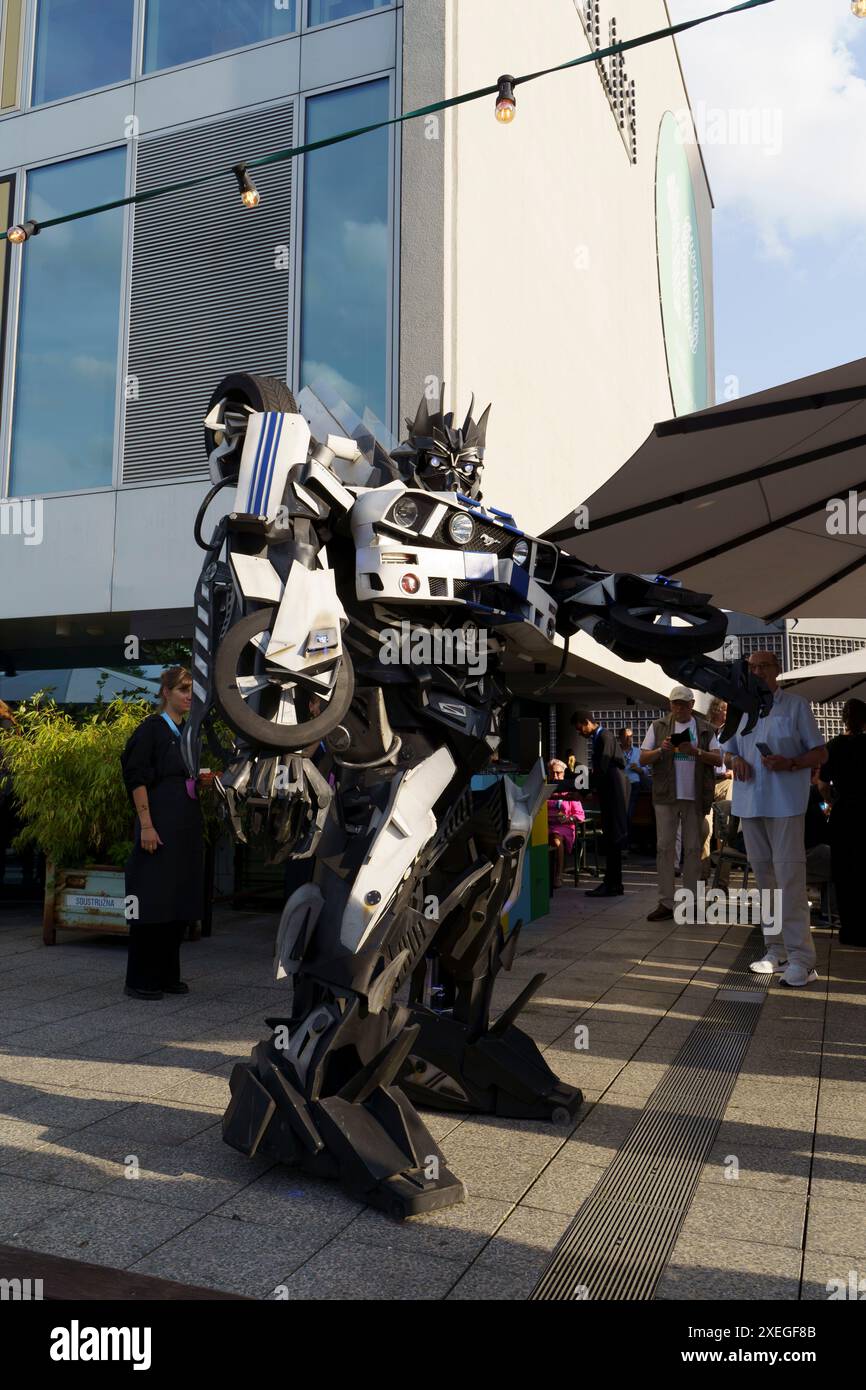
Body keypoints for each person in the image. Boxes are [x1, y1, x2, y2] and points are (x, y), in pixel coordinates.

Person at [722, 651, 827, 987]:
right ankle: (776, 949)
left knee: (790, 880)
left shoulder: (795, 705)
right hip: (750, 803)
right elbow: (726, 748)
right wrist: (732, 759)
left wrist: (793, 763)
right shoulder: (740, 708)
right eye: (751, 667)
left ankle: (802, 960)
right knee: (765, 881)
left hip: (785, 803)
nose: (756, 672)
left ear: (777, 671)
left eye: (763, 666)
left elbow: (820, 752)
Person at [121, 667, 204, 1000]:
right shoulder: (151, 730)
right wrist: (146, 825)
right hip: (157, 827)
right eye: (182, 689)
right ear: (166, 692)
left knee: (177, 901)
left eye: (191, 690)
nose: (188, 696)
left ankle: (168, 975)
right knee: (151, 901)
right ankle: (140, 979)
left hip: (184, 828)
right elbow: (136, 779)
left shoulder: (187, 732)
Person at [640, 687, 721, 921]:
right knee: (664, 848)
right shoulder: (659, 726)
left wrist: (695, 751)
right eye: (675, 704)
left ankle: (691, 903)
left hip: (694, 796)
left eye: (683, 704)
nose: (679, 708)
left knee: (694, 849)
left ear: (692, 704)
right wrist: (660, 750)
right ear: (670, 704)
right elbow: (643, 758)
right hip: (666, 796)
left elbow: (718, 759)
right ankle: (666, 902)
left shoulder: (705, 729)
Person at [819, 697, 866, 947]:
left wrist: (832, 800)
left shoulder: (834, 746)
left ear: (844, 718)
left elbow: (823, 784)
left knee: (845, 872)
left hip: (845, 813)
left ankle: (849, 928)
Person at [571, 710, 628, 897]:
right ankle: (613, 883)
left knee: (613, 838)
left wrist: (585, 789)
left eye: (580, 729)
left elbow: (601, 769)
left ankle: (612, 884)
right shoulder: (602, 737)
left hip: (613, 793)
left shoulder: (604, 737)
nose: (580, 733)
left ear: (587, 722)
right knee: (612, 838)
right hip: (611, 792)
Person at [699, 697, 735, 880]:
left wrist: (734, 770)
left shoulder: (733, 731)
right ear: (715, 710)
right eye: (725, 710)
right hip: (706, 781)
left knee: (725, 830)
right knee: (703, 830)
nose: (728, 714)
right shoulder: (703, 730)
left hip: (726, 781)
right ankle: (703, 875)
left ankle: (722, 880)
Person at [546, 758, 585, 887]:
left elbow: (579, 815)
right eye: (552, 773)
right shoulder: (545, 789)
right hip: (546, 824)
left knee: (556, 840)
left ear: (564, 773)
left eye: (558, 773)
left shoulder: (570, 790)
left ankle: (558, 876)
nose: (555, 776)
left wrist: (569, 818)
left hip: (564, 826)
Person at [618, 726, 648, 850]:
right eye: (626, 736)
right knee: (622, 814)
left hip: (634, 784)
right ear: (620, 738)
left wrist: (639, 769)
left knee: (628, 814)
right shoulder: (617, 751)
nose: (629, 739)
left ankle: (626, 844)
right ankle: (624, 843)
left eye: (631, 737)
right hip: (620, 785)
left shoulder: (638, 752)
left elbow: (646, 770)